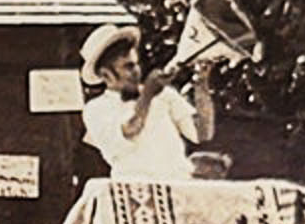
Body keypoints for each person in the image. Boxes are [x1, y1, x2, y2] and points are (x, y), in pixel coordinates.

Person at [77, 21, 217, 180]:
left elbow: (202, 134)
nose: (137, 72)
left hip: (178, 184)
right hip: (133, 189)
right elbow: (130, 130)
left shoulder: (164, 95)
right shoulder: (96, 109)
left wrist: (202, 84)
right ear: (106, 75)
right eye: (128, 67)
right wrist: (148, 95)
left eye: (136, 64)